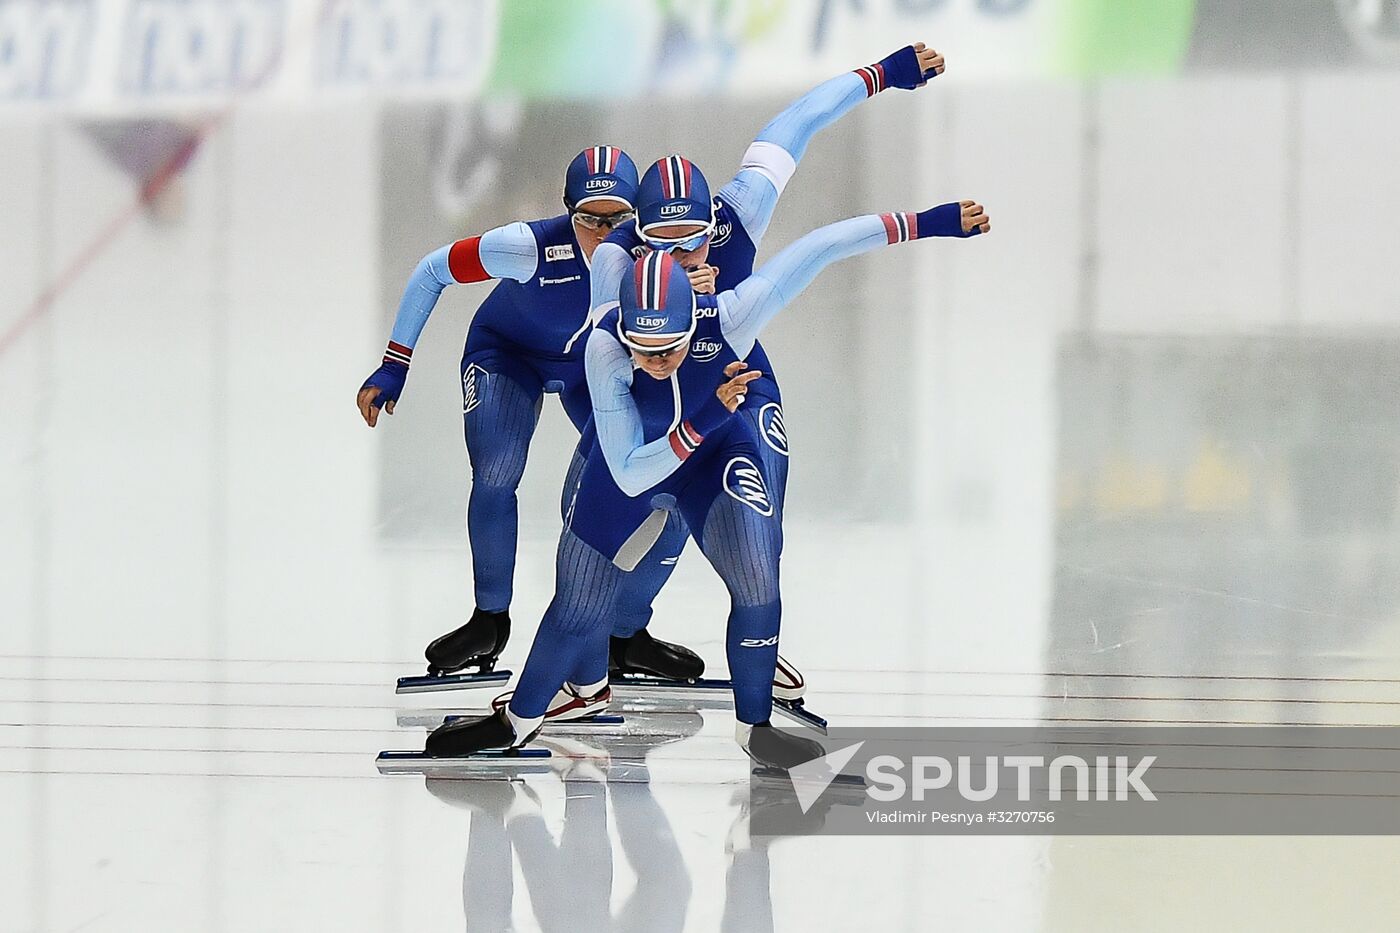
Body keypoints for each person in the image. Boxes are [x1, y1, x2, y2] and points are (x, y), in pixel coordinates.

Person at [426, 198, 993, 767]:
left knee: (756, 577)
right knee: (576, 605)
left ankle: (757, 728)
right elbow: (627, 470)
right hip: (650, 456)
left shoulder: (733, 313)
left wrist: (931, 222)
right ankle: (519, 720)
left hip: (716, 457)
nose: (656, 362)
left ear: (695, 317)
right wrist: (704, 418)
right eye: (643, 348)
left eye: (669, 347)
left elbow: (821, 246)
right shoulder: (604, 349)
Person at [356, 146, 705, 680]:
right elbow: (432, 271)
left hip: (590, 369)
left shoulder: (656, 261)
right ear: (568, 212)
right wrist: (394, 364)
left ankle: (626, 633)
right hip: (507, 356)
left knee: (664, 482)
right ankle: (488, 621)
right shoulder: (527, 247)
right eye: (589, 218)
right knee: (497, 469)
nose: (603, 231)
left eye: (619, 219)